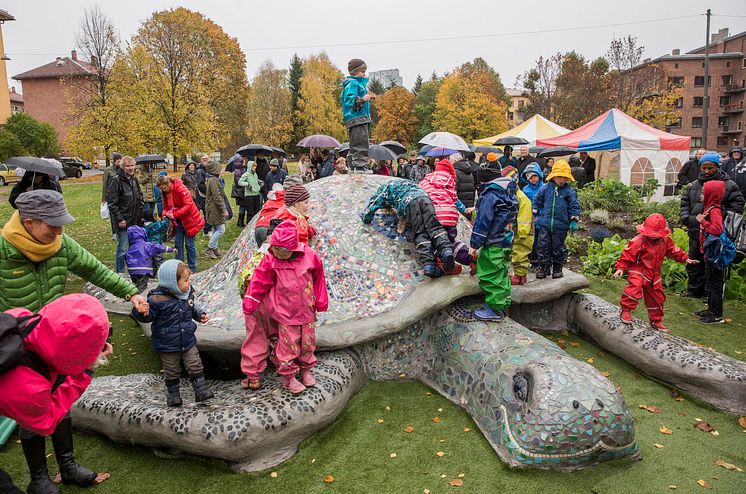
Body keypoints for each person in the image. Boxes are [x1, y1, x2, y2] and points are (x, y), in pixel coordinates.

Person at [0, 190, 147, 494]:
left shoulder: (60, 244)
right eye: (52, 225)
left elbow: (95, 269)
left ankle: (67, 465)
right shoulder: (2, 251)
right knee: (34, 409)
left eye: (61, 224)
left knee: (62, 401)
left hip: (60, 341)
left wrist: (129, 292)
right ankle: (39, 476)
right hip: (20, 349)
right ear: (29, 222)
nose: (59, 230)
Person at [0, 294, 113, 494]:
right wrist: (86, 368)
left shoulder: (24, 319)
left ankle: (67, 467)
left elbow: (53, 351)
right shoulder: (28, 387)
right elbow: (45, 422)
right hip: (25, 392)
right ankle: (39, 479)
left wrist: (86, 350)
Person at [242, 221, 328, 394]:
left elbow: (319, 277)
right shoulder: (271, 258)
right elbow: (260, 280)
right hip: (285, 312)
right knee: (288, 346)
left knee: (307, 343)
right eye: (275, 250)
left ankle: (305, 369)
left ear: (293, 249)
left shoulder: (309, 255)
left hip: (307, 311)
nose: (277, 254)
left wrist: (320, 300)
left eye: (282, 252)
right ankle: (289, 377)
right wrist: (251, 300)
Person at [132, 260, 214, 406]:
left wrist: (199, 314)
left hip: (188, 340)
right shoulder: (157, 300)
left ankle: (201, 391)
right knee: (172, 370)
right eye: (186, 280)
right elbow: (148, 317)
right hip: (167, 344)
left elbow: (191, 307)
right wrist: (140, 312)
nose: (189, 283)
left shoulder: (186, 294)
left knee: (195, 365)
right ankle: (174, 395)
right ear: (172, 283)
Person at [613, 213, 695, 331]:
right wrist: (621, 268)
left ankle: (656, 321)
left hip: (654, 275)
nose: (653, 236)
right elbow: (628, 255)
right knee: (634, 288)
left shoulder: (665, 241)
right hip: (640, 271)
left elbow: (673, 250)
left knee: (657, 298)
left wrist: (685, 258)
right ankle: (626, 310)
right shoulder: (638, 241)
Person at [680, 152, 744, 298]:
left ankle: (710, 295)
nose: (707, 171)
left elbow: (738, 205)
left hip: (716, 234)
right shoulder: (694, 185)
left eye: (710, 168)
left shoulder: (729, 185)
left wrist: (719, 215)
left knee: (713, 265)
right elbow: (685, 203)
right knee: (694, 263)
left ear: (717, 166)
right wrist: (687, 218)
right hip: (696, 230)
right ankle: (694, 292)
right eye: (704, 168)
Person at [362, 180, 455, 278]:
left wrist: (366, 217)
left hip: (409, 203)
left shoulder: (387, 187)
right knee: (434, 227)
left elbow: (375, 201)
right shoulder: (407, 183)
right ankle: (446, 250)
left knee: (419, 232)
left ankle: (429, 265)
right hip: (425, 198)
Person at [469, 166, 519, 322]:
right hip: (506, 241)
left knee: (489, 274)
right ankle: (501, 305)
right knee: (502, 273)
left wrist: (474, 244)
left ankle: (495, 310)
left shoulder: (490, 195)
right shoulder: (510, 192)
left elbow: (483, 221)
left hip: (493, 242)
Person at [419, 154, 474, 272]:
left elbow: (420, 195)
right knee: (450, 241)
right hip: (449, 218)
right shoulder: (450, 183)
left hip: (433, 217)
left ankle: (443, 265)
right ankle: (470, 258)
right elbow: (455, 200)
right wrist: (463, 209)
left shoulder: (425, 181)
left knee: (434, 241)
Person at [532, 159, 581, 280]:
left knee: (558, 247)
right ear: (553, 176)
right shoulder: (545, 188)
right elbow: (537, 200)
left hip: (561, 225)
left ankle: (557, 267)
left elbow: (574, 205)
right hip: (546, 223)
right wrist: (536, 212)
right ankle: (544, 267)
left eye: (564, 177)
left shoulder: (569, 191)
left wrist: (574, 218)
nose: (561, 180)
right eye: (559, 177)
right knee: (543, 246)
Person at [696, 181, 728, 324]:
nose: (700, 195)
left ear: (711, 194)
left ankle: (716, 314)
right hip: (709, 252)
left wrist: (703, 222)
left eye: (703, 192)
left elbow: (717, 229)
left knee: (715, 283)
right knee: (710, 281)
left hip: (715, 254)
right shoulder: (708, 208)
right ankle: (711, 309)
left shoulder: (714, 210)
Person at [158, 175, 205, 272]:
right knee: (178, 244)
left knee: (189, 244)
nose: (164, 190)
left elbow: (188, 205)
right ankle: (179, 267)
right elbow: (165, 206)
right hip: (177, 221)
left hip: (190, 220)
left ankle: (192, 267)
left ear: (169, 184)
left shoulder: (181, 188)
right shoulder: (164, 192)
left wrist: (174, 214)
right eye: (162, 188)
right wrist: (164, 214)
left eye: (164, 188)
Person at [108, 156, 144, 274]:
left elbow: (139, 198)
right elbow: (112, 203)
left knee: (135, 247)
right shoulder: (116, 181)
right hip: (123, 220)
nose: (130, 168)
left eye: (132, 165)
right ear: (122, 167)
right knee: (123, 249)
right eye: (128, 166)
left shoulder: (134, 180)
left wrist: (142, 215)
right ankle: (120, 273)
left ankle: (134, 271)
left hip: (135, 219)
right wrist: (120, 219)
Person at [342, 58, 376, 173]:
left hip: (362, 117)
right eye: (362, 71)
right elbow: (349, 100)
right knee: (360, 142)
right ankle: (359, 166)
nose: (364, 74)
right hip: (357, 118)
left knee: (357, 141)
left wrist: (368, 97)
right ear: (354, 72)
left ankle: (352, 165)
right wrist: (363, 99)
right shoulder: (353, 83)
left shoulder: (359, 84)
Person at [125, 225, 175, 292]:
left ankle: (134, 293)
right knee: (142, 287)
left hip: (132, 270)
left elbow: (126, 257)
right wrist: (170, 249)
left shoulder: (130, 248)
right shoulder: (146, 245)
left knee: (137, 284)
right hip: (144, 269)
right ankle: (136, 297)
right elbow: (158, 248)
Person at [507, 167, 534, 286]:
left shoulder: (521, 197)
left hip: (523, 231)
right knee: (517, 252)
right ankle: (520, 275)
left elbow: (524, 216)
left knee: (520, 252)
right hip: (517, 230)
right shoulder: (514, 196)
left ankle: (519, 275)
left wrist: (522, 231)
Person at [204, 160, 228, 259]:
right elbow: (217, 196)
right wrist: (223, 209)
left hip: (212, 207)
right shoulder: (213, 180)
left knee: (215, 229)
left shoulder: (212, 179)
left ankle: (215, 249)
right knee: (221, 229)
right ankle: (210, 248)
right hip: (215, 208)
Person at [237, 160, 262, 227]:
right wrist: (247, 184)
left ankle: (256, 225)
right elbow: (240, 182)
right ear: (250, 166)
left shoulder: (255, 174)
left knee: (257, 211)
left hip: (256, 194)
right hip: (249, 196)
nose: (255, 167)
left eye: (256, 166)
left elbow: (256, 182)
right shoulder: (246, 174)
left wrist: (259, 185)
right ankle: (249, 226)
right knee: (250, 212)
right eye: (254, 166)